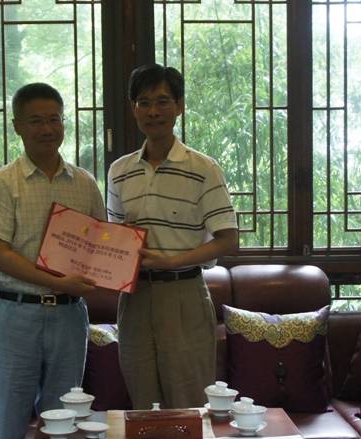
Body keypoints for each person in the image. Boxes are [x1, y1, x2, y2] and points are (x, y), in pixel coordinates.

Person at [0, 83, 106, 439]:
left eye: (54, 119)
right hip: (15, 315)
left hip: (69, 316)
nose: (47, 129)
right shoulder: (2, 183)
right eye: (36, 121)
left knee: (65, 420)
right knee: (7, 420)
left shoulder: (84, 183)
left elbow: (101, 243)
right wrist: (58, 282)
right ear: (17, 126)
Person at [107, 64, 238, 409]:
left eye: (163, 101)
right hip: (134, 298)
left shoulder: (204, 169)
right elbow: (116, 239)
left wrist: (171, 261)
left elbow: (228, 239)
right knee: (142, 404)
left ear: (179, 106)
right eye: (144, 102)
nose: (153, 111)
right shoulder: (119, 172)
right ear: (133, 108)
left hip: (184, 294)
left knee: (188, 404)